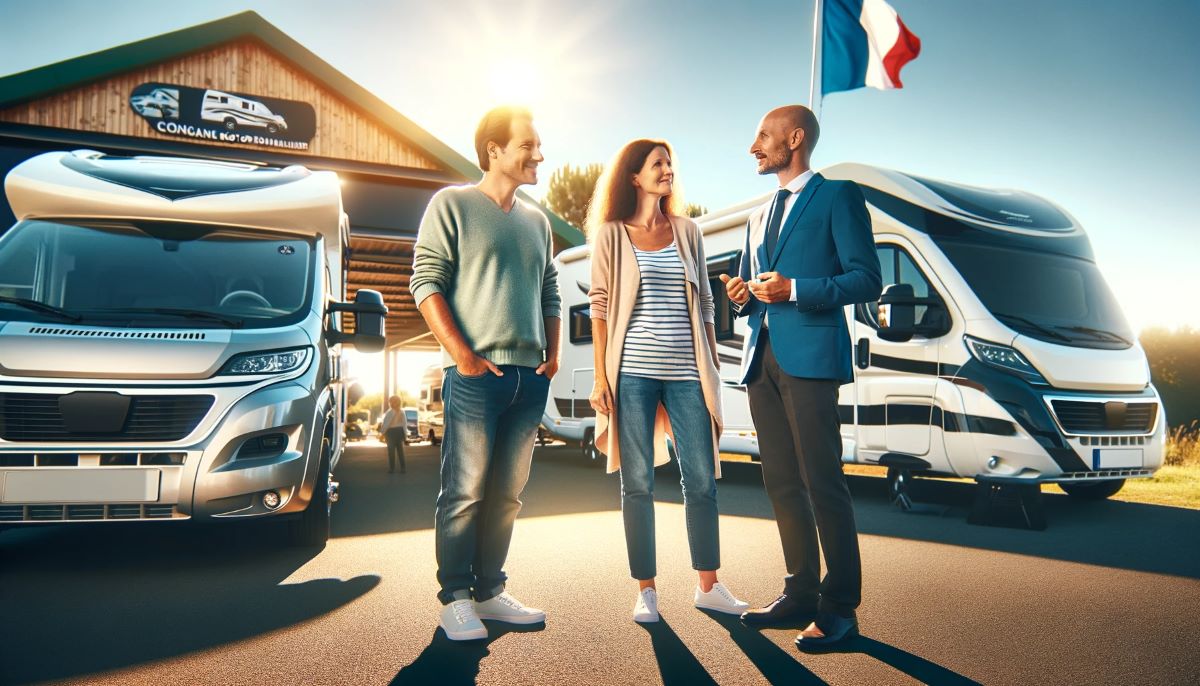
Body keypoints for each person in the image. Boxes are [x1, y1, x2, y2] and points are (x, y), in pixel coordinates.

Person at [720, 105, 881, 647]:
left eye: (762, 135)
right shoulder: (757, 214)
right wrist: (742, 295)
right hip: (761, 358)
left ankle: (840, 607)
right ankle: (800, 593)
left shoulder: (838, 197)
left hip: (811, 358)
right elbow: (752, 287)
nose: (754, 146)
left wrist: (797, 289)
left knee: (822, 482)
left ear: (795, 138)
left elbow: (866, 279)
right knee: (782, 483)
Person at [410, 106, 561, 641]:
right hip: (475, 377)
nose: (539, 154)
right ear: (494, 150)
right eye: (528, 145)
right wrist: (464, 357)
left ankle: (490, 592)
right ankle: (454, 596)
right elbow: (425, 282)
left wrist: (554, 353)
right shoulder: (451, 204)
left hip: (530, 378)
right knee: (465, 493)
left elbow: (550, 289)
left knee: (507, 494)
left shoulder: (538, 221)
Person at [587, 139, 748, 624]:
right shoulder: (612, 234)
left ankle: (709, 585)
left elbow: (703, 305)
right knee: (637, 483)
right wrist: (600, 376)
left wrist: (711, 364)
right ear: (634, 177)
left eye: (670, 162)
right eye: (658, 163)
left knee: (701, 479)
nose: (668, 170)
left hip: (686, 372)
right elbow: (598, 307)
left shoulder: (687, 231)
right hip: (632, 372)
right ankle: (647, 592)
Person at [378, 395, 407, 474]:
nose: (390, 403)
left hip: (391, 432)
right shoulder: (402, 411)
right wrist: (405, 435)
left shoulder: (390, 412)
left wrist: (382, 433)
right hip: (400, 432)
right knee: (400, 451)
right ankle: (403, 468)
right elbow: (404, 424)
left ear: (392, 402)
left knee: (391, 451)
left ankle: (392, 468)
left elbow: (386, 424)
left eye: (390, 401)